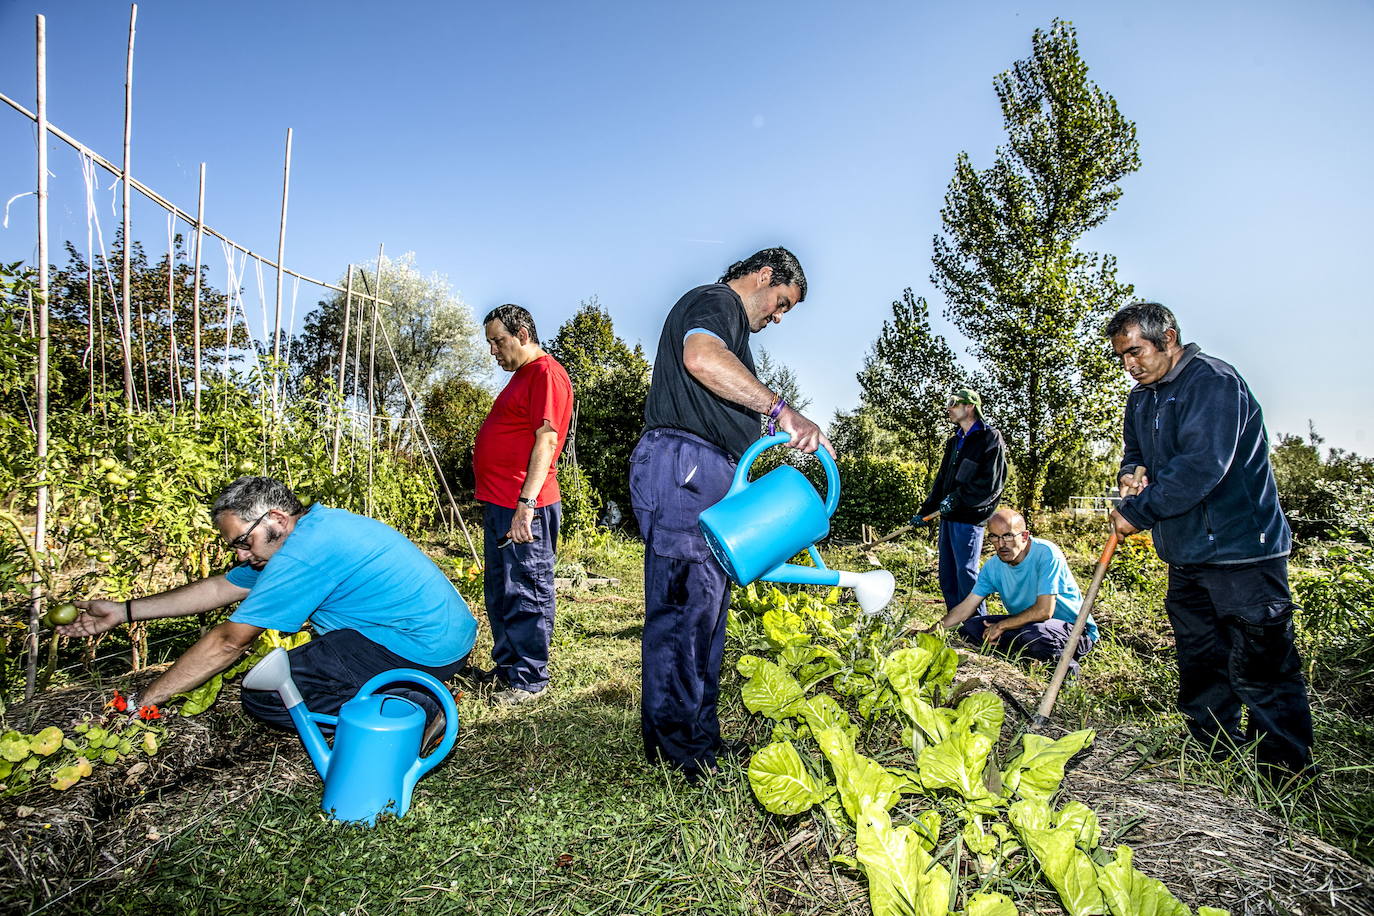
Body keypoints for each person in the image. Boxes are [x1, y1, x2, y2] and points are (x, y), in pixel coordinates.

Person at [631, 247, 832, 783]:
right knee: (683, 610)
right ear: (765, 276)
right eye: (782, 302)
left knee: (707, 611)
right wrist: (780, 408)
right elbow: (700, 357)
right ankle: (679, 752)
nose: (779, 317)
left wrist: (776, 436)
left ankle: (698, 738)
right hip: (684, 468)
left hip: (706, 472)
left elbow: (725, 399)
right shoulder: (715, 301)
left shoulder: (736, 338)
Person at [57, 477, 477, 731]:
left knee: (266, 695)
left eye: (243, 541)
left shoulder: (303, 553)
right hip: (443, 638)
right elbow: (221, 588)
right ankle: (410, 692)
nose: (241, 554)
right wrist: (124, 611)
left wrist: (144, 700)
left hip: (420, 648)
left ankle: (411, 706)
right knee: (301, 671)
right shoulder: (312, 530)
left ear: (276, 519)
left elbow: (228, 642)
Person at [1106, 301, 1313, 776]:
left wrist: (1138, 512)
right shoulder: (1141, 399)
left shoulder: (1213, 383)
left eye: (1136, 352)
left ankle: (1284, 771)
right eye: (1122, 358)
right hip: (1187, 554)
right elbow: (1135, 452)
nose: (1129, 366)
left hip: (1242, 551)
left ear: (1169, 337)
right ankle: (1215, 752)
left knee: (1262, 665)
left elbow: (1202, 467)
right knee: (1201, 661)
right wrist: (1129, 477)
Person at [472, 304, 574, 705]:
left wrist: (526, 504)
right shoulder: (522, 377)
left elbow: (547, 441)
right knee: (500, 590)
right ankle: (508, 669)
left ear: (524, 334)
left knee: (527, 588)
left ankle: (530, 678)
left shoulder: (546, 373)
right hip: (502, 502)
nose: (494, 351)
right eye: (490, 343)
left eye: (499, 341)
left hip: (525, 503)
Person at [927, 508, 1097, 676]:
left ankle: (1067, 672)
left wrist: (1001, 626)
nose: (1001, 544)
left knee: (1035, 634)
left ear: (1024, 536)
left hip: (1072, 630)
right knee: (970, 628)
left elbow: (1044, 611)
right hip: (1026, 625)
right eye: (994, 536)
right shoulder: (992, 567)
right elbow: (965, 608)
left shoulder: (1046, 553)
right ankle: (1025, 655)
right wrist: (928, 633)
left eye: (1008, 536)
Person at [911, 388, 1007, 615]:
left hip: (970, 516)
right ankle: (955, 619)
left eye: (953, 403)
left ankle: (976, 622)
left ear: (970, 406)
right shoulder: (954, 441)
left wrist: (957, 498)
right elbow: (942, 480)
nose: (948, 408)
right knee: (947, 571)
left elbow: (990, 482)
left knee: (966, 571)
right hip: (948, 515)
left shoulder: (989, 437)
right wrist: (925, 511)